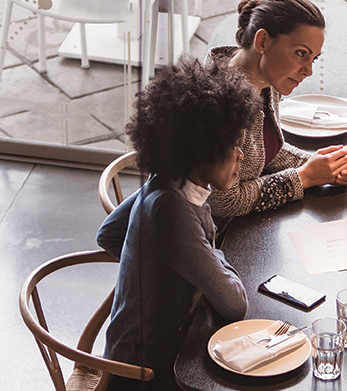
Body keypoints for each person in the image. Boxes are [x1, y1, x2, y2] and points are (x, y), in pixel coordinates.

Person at [96, 60, 254, 391]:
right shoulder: (173, 211)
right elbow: (234, 303)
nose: (241, 155)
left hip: (127, 351)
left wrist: (156, 269)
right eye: (232, 145)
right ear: (202, 150)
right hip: (145, 373)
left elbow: (109, 234)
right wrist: (210, 256)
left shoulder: (165, 181)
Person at [206, 0, 347, 218]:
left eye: (314, 59)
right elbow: (224, 202)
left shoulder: (265, 78)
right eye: (301, 53)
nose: (308, 70)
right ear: (262, 42)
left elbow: (264, 152)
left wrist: (320, 165)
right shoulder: (220, 108)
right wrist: (304, 177)